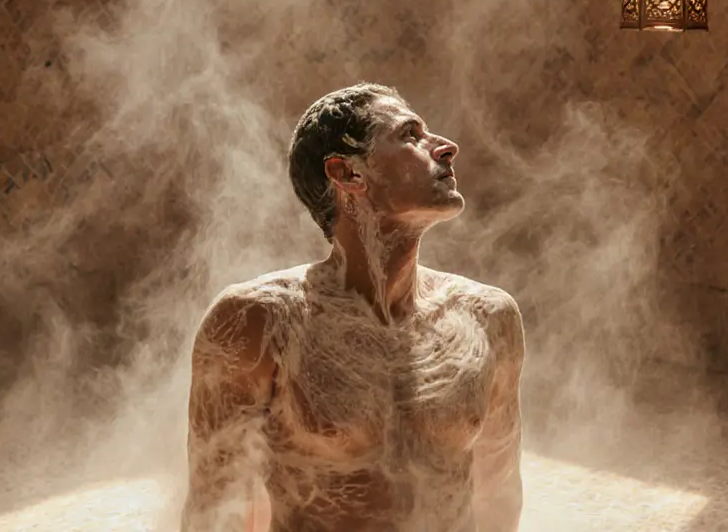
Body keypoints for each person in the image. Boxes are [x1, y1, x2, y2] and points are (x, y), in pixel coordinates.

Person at [181, 83, 526, 532]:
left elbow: (498, 495)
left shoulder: (487, 318)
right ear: (346, 174)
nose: (445, 147)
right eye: (410, 135)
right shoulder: (257, 321)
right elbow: (215, 510)